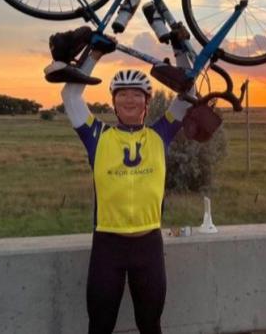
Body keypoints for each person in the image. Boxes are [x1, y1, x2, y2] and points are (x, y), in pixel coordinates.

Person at [45, 28, 193, 334]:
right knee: (100, 327)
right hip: (107, 247)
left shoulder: (159, 135)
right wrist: (95, 54)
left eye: (136, 94)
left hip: (149, 246)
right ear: (113, 101)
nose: (129, 99)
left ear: (146, 101)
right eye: (122, 94)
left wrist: (179, 47)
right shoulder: (97, 136)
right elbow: (70, 95)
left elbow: (187, 93)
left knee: (150, 326)